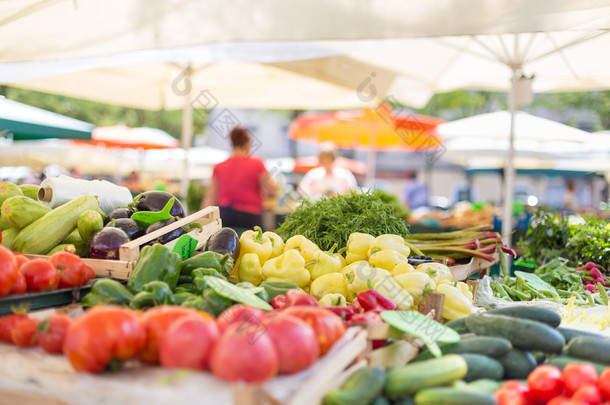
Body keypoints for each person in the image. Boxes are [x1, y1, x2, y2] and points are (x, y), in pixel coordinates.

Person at [202, 126, 274, 228]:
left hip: (225, 215)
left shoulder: (219, 166)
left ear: (232, 143)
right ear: (247, 143)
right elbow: (270, 189)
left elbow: (210, 197)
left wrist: (203, 221)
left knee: (225, 243)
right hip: (250, 216)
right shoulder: (257, 164)